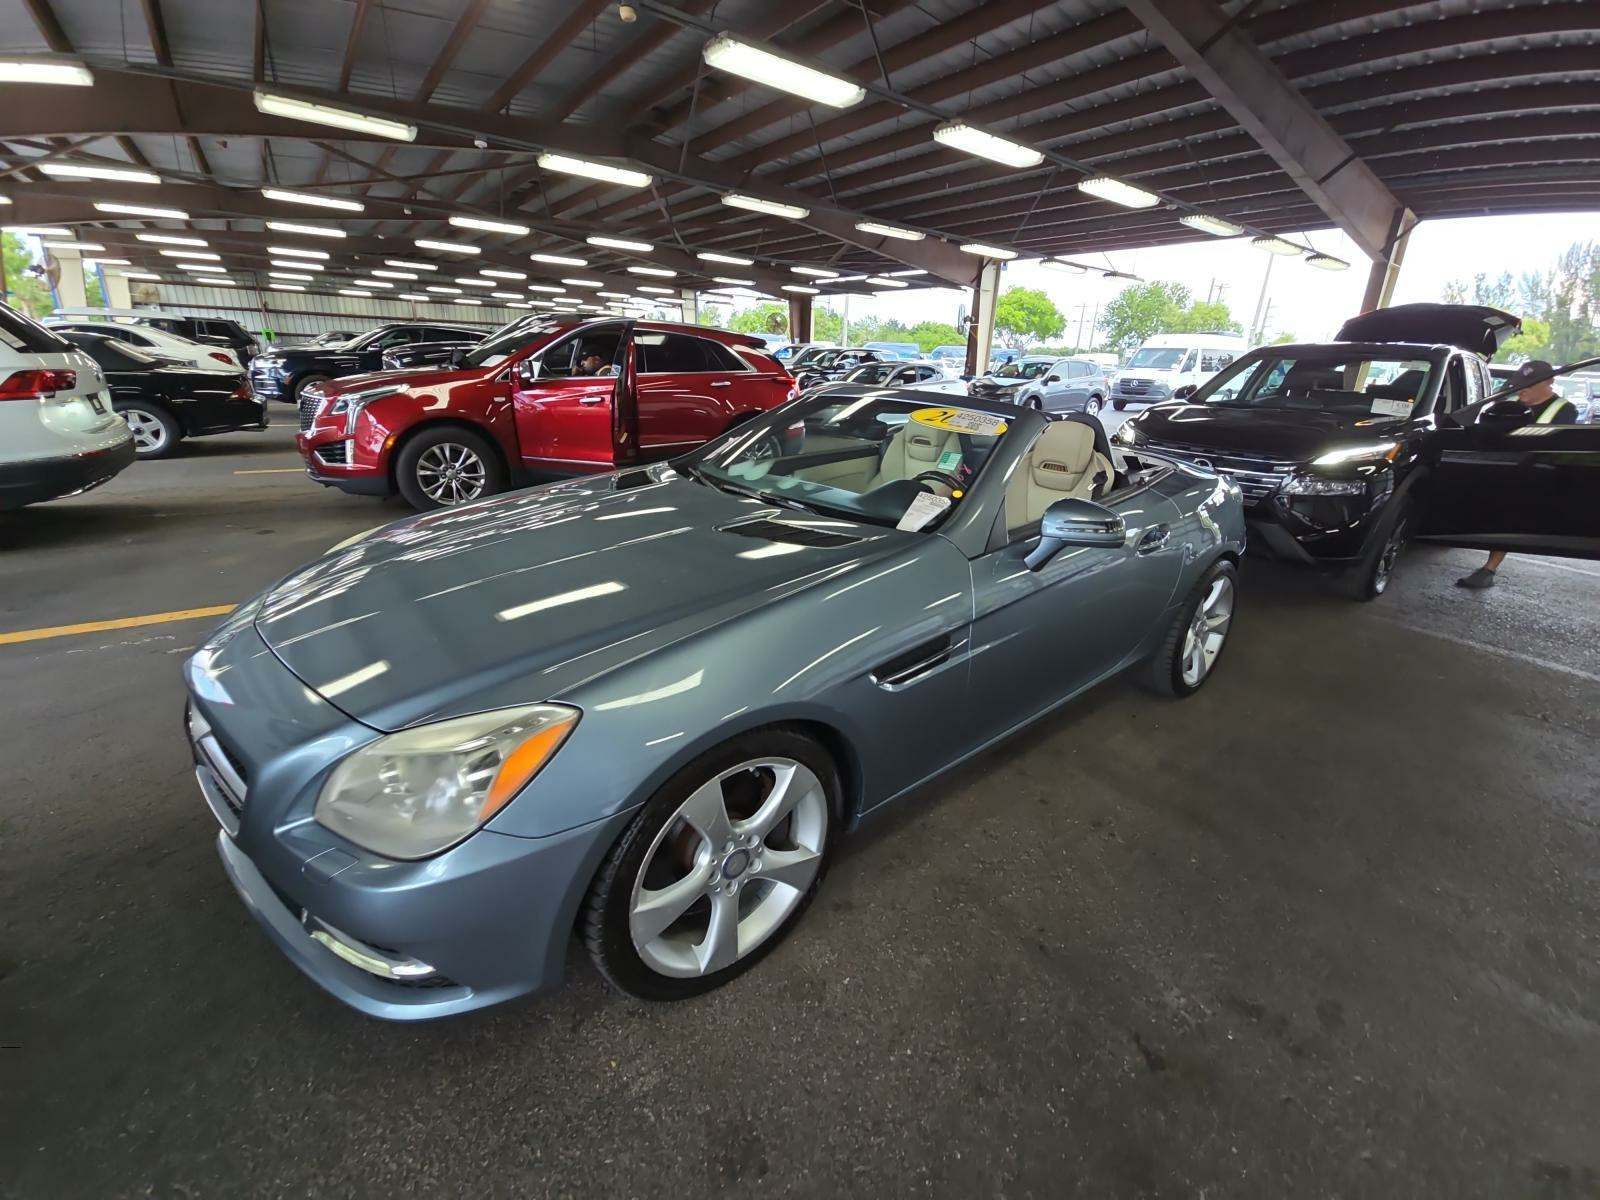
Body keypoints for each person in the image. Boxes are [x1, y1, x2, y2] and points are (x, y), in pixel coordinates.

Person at [1456, 359, 1577, 590]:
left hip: (1531, 474)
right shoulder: (1506, 402)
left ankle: (1489, 569)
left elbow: (1559, 445)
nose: (1523, 389)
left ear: (1550, 382)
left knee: (1509, 517)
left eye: (1530, 385)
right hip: (1494, 466)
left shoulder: (1564, 410)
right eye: (1521, 384)